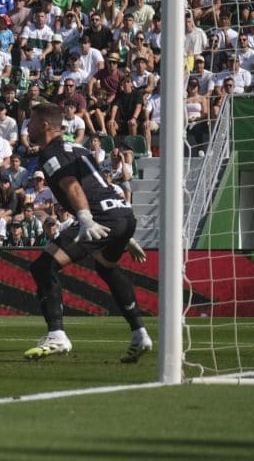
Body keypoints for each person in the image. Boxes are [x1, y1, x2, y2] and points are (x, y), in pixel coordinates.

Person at [23, 102, 151, 363]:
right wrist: (125, 234)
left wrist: (85, 219)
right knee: (106, 267)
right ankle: (140, 333)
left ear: (46, 126)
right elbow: (101, 185)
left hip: (100, 217)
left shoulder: (51, 153)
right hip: (122, 214)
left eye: (33, 122)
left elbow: (72, 187)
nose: (28, 126)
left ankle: (57, 335)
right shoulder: (78, 148)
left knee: (43, 267)